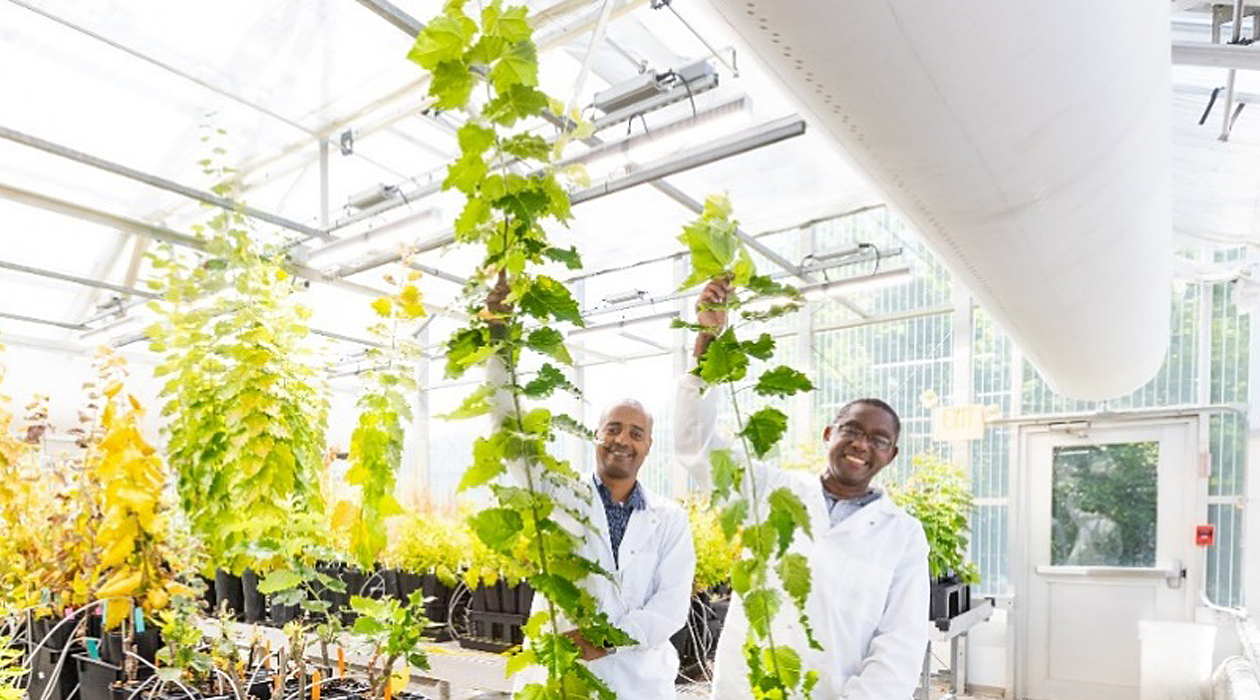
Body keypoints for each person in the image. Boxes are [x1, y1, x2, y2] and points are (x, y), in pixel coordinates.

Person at [674, 279, 929, 699]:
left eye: (878, 440)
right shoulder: (772, 490)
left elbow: (899, 644)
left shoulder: (901, 535)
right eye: (851, 430)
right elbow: (696, 447)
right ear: (830, 434)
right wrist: (708, 344)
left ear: (891, 454)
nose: (861, 444)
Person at [512, 397, 696, 699]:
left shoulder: (669, 519)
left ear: (649, 445)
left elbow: (670, 606)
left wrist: (602, 639)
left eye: (636, 434)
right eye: (613, 429)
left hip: (639, 683)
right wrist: (500, 363)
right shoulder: (558, 493)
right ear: (596, 434)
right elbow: (514, 450)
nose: (622, 440)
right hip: (564, 676)